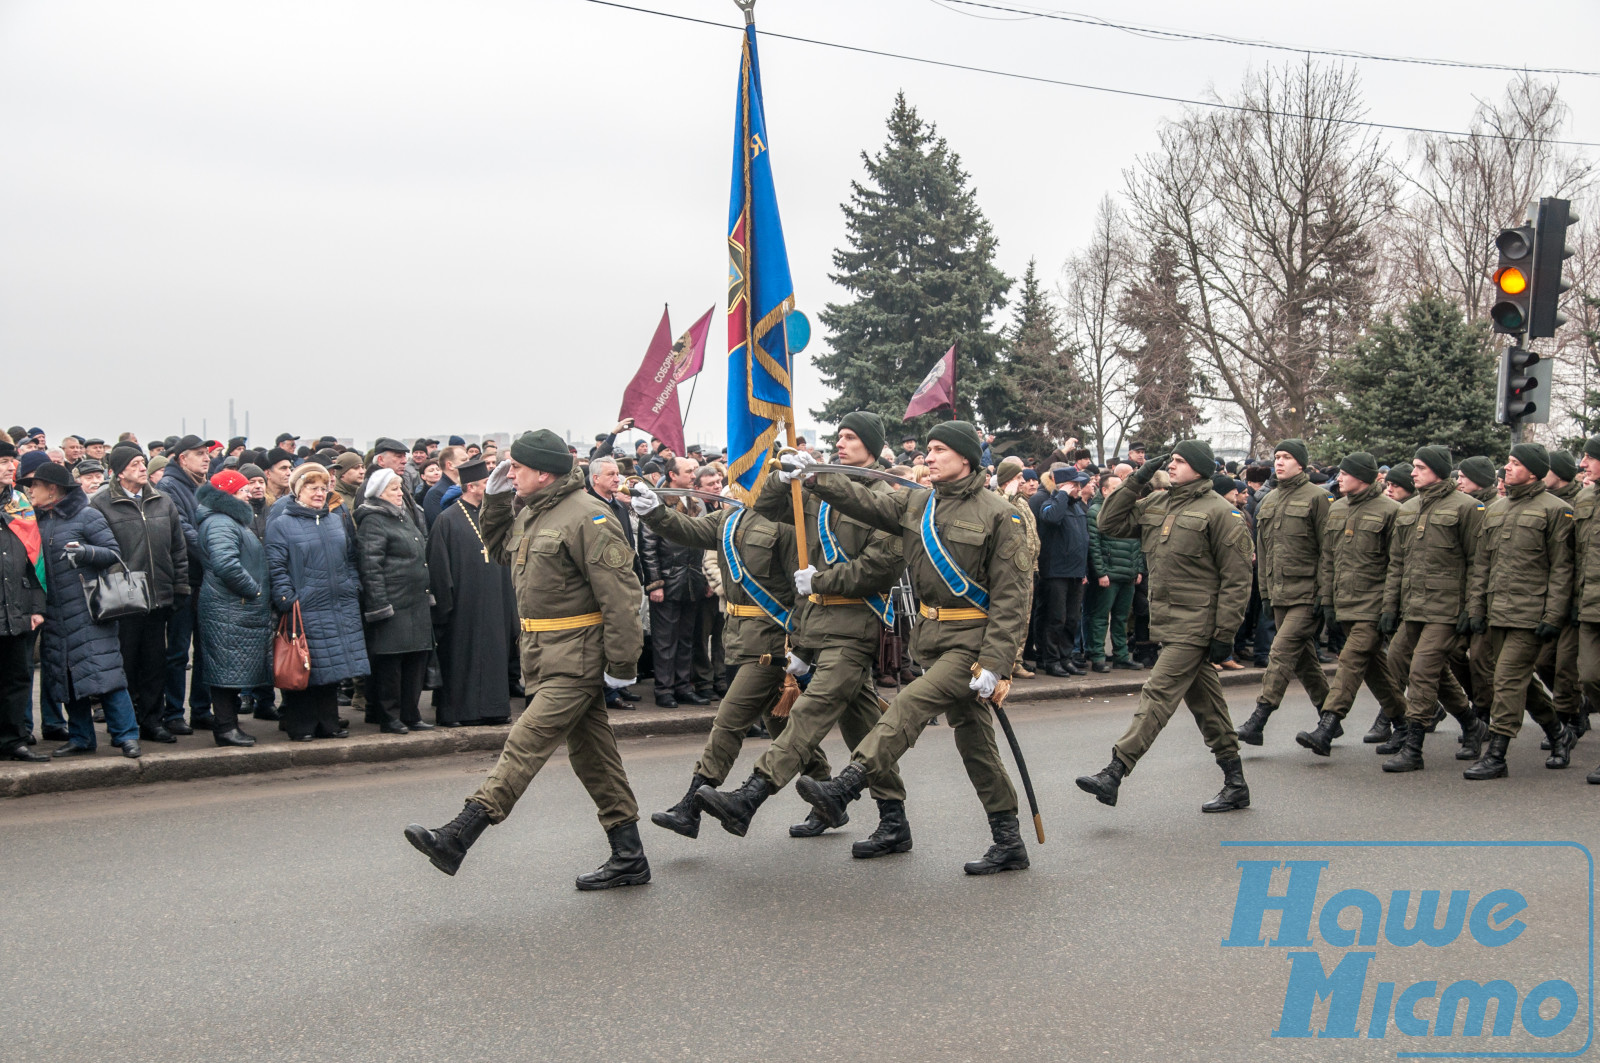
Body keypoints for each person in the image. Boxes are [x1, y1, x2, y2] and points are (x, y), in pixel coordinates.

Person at [404, 429, 649, 890]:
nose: (508, 473)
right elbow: (497, 550)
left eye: (515, 468)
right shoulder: (536, 513)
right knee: (595, 760)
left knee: (524, 743)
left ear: (543, 472)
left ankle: (459, 834)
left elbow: (620, 597)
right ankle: (629, 855)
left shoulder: (588, 517)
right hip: (543, 655)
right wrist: (495, 498)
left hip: (577, 655)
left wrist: (621, 666)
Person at [786, 421, 1032, 875]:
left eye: (940, 450)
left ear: (966, 458)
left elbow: (1012, 598)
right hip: (933, 640)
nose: (930, 457)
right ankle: (1009, 841)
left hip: (972, 646)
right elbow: (866, 500)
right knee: (976, 745)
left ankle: (847, 785)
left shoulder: (1001, 514)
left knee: (909, 705)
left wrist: (998, 664)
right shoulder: (917, 501)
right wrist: (816, 476)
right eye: (929, 449)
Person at [688, 411, 911, 852]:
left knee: (808, 713)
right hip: (816, 626)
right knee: (864, 728)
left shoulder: (888, 498)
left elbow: (880, 567)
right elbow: (767, 508)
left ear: (870, 444)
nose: (841, 443)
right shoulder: (822, 488)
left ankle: (750, 796)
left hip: (855, 625)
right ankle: (894, 821)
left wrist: (823, 582)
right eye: (839, 436)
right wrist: (784, 475)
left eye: (851, 438)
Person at [1076, 441, 1253, 812]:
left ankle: (1115, 770)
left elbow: (1237, 581)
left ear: (1201, 469)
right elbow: (1109, 522)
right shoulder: (1157, 502)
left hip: (1197, 624)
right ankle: (1236, 783)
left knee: (1157, 693)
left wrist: (1224, 635)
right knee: (1208, 706)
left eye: (1180, 461)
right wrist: (1137, 479)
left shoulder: (1223, 514)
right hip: (1168, 623)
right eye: (1171, 460)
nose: (1171, 466)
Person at [1462, 443, 1574, 780]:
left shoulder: (1556, 510)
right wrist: (1476, 609)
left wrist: (1554, 615)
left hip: (1531, 614)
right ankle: (1558, 733)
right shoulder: (1494, 510)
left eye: (1514, 463)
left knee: (1507, 679)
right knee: (1519, 681)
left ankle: (1497, 754)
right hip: (1498, 610)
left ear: (1534, 470)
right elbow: (1482, 564)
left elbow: (1562, 568)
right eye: (1507, 463)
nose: (1506, 468)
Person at [22, 462, 142, 759]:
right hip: (54, 614)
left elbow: (113, 553)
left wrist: (86, 552)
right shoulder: (35, 521)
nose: (29, 491)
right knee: (66, 678)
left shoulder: (86, 515)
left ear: (53, 489)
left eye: (34, 485)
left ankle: (127, 736)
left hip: (89, 611)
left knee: (106, 675)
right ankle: (81, 737)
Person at [1293, 453, 1407, 759]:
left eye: (1346, 473)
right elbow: (1328, 559)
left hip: (1374, 604)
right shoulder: (1337, 508)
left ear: (1364, 477)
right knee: (1374, 670)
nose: (1339, 478)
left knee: (1351, 659)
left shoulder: (1392, 511)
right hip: (1345, 602)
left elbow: (1397, 564)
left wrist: (1390, 607)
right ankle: (1404, 724)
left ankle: (1327, 726)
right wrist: (1327, 600)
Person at [1235, 439, 1331, 747]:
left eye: (1287, 457)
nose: (1279, 462)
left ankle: (1259, 718)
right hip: (1278, 592)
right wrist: (1264, 593)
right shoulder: (1270, 499)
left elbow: (1328, 552)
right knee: (1303, 660)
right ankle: (1330, 718)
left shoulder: (1318, 498)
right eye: (1277, 457)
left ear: (1301, 463)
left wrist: (1324, 594)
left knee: (1281, 651)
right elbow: (1263, 551)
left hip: (1307, 592)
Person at [90, 445, 188, 741]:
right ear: (119, 471)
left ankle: (152, 721)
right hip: (124, 598)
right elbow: (98, 552)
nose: (142, 468)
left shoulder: (162, 500)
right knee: (126, 662)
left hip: (158, 596)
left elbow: (178, 548)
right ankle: (124, 723)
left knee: (154, 663)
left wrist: (180, 586)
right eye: (135, 464)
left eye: (143, 462)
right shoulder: (101, 504)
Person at [265, 463, 368, 741]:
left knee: (333, 667)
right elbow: (276, 565)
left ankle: (329, 723)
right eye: (313, 488)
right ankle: (302, 725)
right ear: (299, 491)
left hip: (339, 603)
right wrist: (288, 598)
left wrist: (353, 584)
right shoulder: (282, 523)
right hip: (305, 606)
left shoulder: (335, 519)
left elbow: (349, 557)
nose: (320, 493)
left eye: (323, 488)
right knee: (307, 667)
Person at [428, 459, 515, 727]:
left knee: (495, 653)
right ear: (471, 486)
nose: (490, 486)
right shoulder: (447, 520)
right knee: (460, 656)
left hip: (495, 601)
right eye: (486, 482)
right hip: (463, 605)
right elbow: (439, 568)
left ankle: (494, 709)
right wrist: (445, 607)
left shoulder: (496, 516)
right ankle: (456, 712)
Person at [354, 469, 436, 734]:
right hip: (393, 605)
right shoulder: (374, 520)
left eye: (400, 489)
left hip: (415, 602)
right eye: (393, 490)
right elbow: (370, 566)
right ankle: (389, 716)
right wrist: (379, 605)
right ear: (379, 493)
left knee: (415, 661)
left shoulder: (403, 516)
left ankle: (411, 713)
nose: (399, 494)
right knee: (391, 665)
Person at [195, 470, 273, 746]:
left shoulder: (228, 520)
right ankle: (226, 728)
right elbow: (226, 564)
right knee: (225, 671)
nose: (248, 495)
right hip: (228, 606)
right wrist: (254, 589)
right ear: (228, 495)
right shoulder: (220, 523)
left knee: (230, 669)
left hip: (233, 606)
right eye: (242, 491)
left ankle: (229, 726)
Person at [152, 434, 215, 734]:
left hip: (206, 579)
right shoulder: (168, 486)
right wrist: (216, 554)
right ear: (182, 458)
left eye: (208, 453)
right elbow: (184, 531)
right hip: (184, 580)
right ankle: (174, 712)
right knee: (178, 651)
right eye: (199, 453)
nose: (206, 458)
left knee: (205, 649)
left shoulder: (206, 484)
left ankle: (201, 709)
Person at [639, 456, 710, 708]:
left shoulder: (695, 500)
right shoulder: (656, 502)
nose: (694, 475)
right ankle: (664, 689)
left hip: (692, 580)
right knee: (665, 641)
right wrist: (655, 583)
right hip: (668, 581)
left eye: (694, 470)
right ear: (672, 475)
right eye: (689, 471)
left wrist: (707, 579)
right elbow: (647, 547)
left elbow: (703, 543)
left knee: (686, 639)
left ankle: (682, 687)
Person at [0, 441, 49, 762]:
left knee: (17, 677)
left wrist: (36, 607)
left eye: (11, 461)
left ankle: (12, 741)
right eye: (3, 461)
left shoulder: (19, 503)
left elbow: (35, 562)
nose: (10, 467)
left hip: (16, 607)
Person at [1535, 450, 1586, 747]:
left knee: (1568, 664)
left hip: (1578, 596)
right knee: (1543, 662)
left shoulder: (1581, 502)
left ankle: (1567, 718)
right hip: (1552, 595)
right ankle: (1571, 705)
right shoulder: (1545, 504)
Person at [1033, 465, 1090, 677]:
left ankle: (1066, 658)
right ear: (1065, 485)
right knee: (1055, 618)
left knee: (1072, 619)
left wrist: (1083, 570)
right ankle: (1052, 660)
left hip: (1075, 572)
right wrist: (1063, 494)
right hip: (1056, 573)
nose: (1079, 488)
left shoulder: (1076, 508)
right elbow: (1051, 518)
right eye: (1075, 485)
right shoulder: (1050, 504)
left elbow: (1083, 541)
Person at [1086, 472, 1144, 673]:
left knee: (1121, 618)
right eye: (1115, 489)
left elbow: (1138, 542)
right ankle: (1097, 656)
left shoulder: (1130, 510)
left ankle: (1121, 655)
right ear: (1104, 490)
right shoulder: (1096, 511)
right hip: (1108, 575)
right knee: (1100, 618)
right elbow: (1094, 546)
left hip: (1127, 574)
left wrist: (1138, 569)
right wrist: (1101, 573)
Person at [422, 445, 466, 528]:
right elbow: (440, 527)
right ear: (450, 465)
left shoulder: (463, 487)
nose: (469, 463)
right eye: (464, 460)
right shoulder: (435, 493)